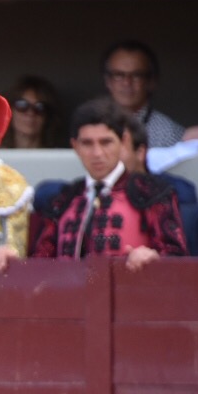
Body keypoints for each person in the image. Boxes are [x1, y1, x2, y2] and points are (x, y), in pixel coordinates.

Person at [31, 99, 186, 268]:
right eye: (87, 143)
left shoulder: (152, 193)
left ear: (124, 141)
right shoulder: (63, 199)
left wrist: (153, 258)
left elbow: (176, 259)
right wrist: (12, 259)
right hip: (69, 293)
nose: (97, 153)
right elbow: (40, 263)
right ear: (75, 146)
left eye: (106, 142)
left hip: (131, 292)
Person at [100, 40, 183, 148]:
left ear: (151, 82)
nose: (127, 83)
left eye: (136, 75)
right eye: (119, 75)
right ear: (108, 81)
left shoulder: (169, 134)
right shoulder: (90, 126)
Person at [0, 76, 61, 150]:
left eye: (39, 107)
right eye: (22, 105)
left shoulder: (56, 156)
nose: (31, 113)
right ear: (10, 110)